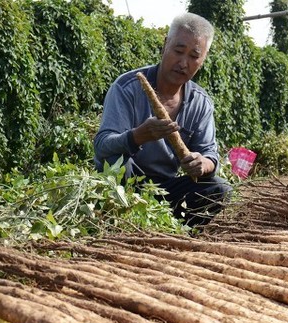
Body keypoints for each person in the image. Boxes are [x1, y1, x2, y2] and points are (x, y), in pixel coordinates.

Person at [93, 12, 231, 227]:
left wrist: (202, 163)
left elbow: (210, 154)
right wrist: (136, 136)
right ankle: (120, 222)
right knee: (114, 161)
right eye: (178, 51)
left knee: (219, 188)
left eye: (194, 56)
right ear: (165, 45)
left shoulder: (201, 103)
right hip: (126, 184)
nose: (183, 63)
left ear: (203, 60)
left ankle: (176, 232)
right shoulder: (127, 87)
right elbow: (102, 145)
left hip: (166, 190)